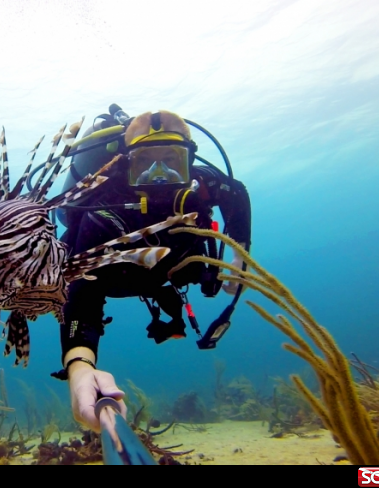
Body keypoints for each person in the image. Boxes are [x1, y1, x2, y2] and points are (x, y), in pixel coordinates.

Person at [48, 105, 253, 433]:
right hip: (117, 277)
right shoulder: (103, 209)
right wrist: (79, 366)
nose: (160, 173)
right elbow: (82, 292)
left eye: (173, 160)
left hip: (173, 270)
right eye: (145, 161)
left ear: (190, 161)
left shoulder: (201, 186)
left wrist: (238, 255)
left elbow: (236, 193)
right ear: (127, 163)